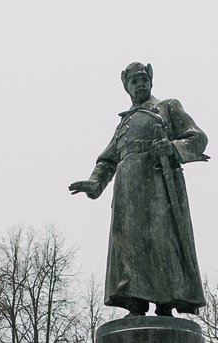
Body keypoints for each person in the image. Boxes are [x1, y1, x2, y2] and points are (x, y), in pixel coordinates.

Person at [70, 62, 208, 317]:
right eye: (134, 81)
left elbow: (197, 137)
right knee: (129, 244)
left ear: (151, 81)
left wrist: (174, 148)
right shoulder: (124, 123)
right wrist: (95, 182)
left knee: (162, 240)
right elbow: (108, 159)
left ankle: (166, 301)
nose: (140, 84)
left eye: (144, 79)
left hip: (159, 186)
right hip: (128, 193)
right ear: (126, 86)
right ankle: (134, 299)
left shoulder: (167, 107)